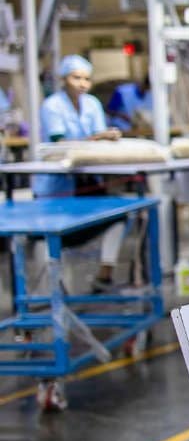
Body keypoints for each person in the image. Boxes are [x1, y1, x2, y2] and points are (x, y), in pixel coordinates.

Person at [35, 55, 126, 291]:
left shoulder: (92, 104)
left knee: (120, 215)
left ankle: (105, 275)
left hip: (88, 183)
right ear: (63, 79)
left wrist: (107, 138)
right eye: (76, 78)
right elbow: (59, 143)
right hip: (58, 187)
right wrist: (98, 137)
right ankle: (56, 289)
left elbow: (99, 142)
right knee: (51, 236)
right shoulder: (52, 106)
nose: (82, 84)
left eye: (87, 79)